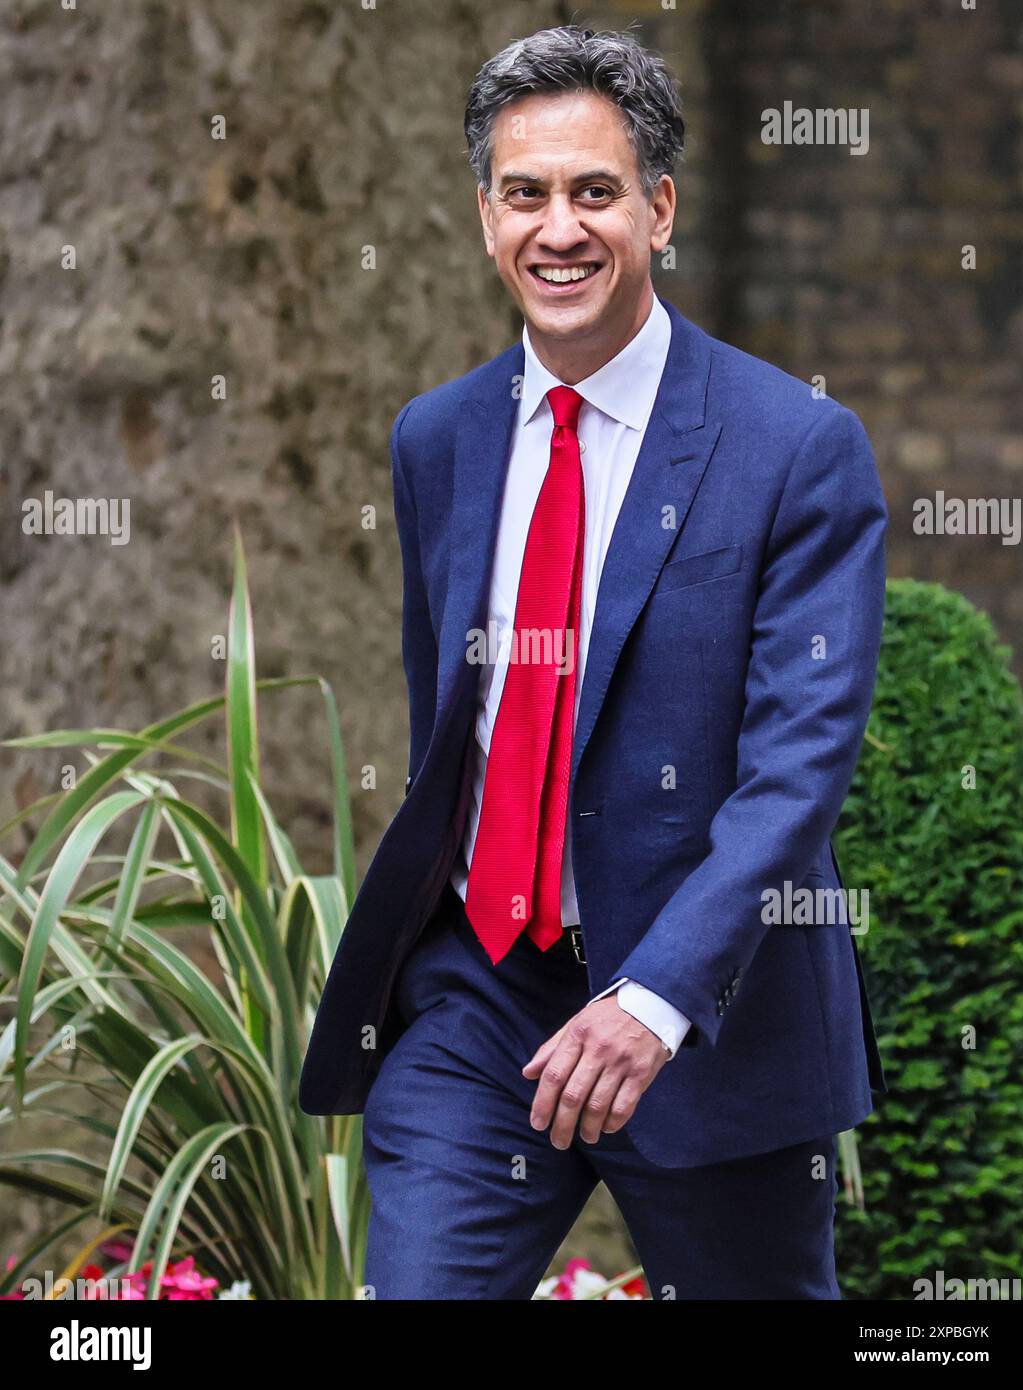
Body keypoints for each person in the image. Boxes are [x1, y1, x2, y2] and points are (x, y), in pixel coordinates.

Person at [299, 23, 888, 1300]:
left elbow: (797, 773)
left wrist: (655, 998)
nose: (556, 228)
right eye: (526, 194)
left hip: (705, 1019)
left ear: (659, 208)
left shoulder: (797, 448)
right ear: (484, 216)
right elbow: (452, 717)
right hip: (479, 998)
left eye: (593, 191)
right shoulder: (436, 439)